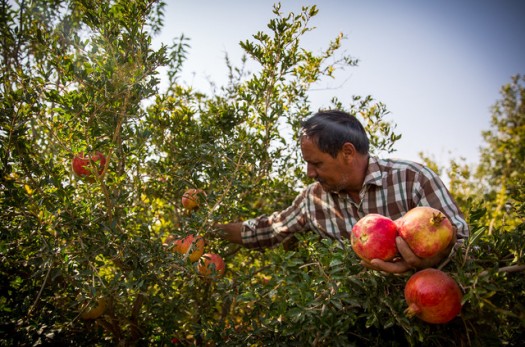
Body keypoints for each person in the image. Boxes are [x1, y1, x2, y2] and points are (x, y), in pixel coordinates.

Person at [215, 110, 469, 273]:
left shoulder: (413, 179)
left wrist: (432, 261)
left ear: (347, 152)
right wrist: (208, 229)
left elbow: (467, 244)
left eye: (317, 163)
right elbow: (266, 230)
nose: (309, 173)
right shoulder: (313, 200)